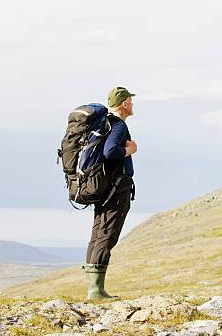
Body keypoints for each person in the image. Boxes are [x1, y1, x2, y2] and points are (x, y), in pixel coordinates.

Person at [82, 86, 137, 299]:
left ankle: (94, 288)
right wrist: (129, 151)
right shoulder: (118, 126)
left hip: (103, 186)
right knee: (107, 234)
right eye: (130, 101)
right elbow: (111, 151)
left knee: (98, 233)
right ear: (124, 104)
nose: (132, 104)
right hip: (116, 187)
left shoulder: (104, 124)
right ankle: (96, 290)